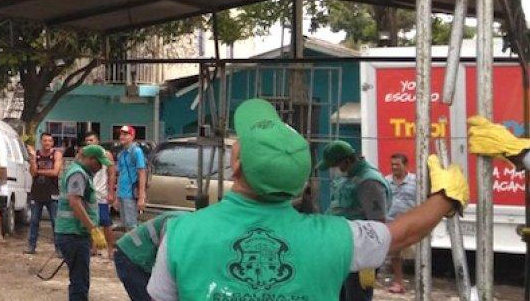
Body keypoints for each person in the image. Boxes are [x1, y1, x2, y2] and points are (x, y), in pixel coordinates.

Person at [146, 99, 469, 301]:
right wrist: (445, 197)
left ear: (237, 163)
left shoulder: (181, 233)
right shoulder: (337, 235)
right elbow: (403, 233)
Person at [320, 140, 390, 301]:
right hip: (343, 248)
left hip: (360, 252)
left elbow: (378, 221)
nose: (334, 171)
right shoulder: (350, 177)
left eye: (335, 166)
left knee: (356, 296)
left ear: (346, 161)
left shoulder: (369, 182)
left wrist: (368, 262)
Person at [54, 144, 111, 301]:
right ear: (90, 159)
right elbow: (75, 202)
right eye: (99, 163)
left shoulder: (82, 173)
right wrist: (93, 229)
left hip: (75, 234)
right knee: (80, 282)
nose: (100, 167)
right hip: (73, 235)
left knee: (79, 279)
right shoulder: (78, 174)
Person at [112, 211, 186, 301]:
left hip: (135, 257)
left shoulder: (185, 222)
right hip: (130, 258)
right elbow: (165, 259)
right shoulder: (178, 223)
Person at [383, 153, 416, 294]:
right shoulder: (386, 181)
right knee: (395, 255)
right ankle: (399, 282)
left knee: (417, 254)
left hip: (411, 223)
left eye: (397, 164)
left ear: (405, 165)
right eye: (392, 165)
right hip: (392, 223)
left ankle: (421, 281)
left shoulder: (415, 181)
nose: (394, 167)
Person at [25, 131, 62, 254]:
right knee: (34, 221)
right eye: (45, 140)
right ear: (41, 142)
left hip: (52, 192)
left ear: (53, 142)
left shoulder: (56, 155)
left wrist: (39, 171)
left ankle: (59, 249)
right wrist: (33, 159)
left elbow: (55, 172)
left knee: (56, 222)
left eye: (49, 141)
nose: (47, 143)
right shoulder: (35, 154)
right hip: (37, 192)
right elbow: (33, 172)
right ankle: (31, 246)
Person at [110, 125, 146, 230]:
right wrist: (117, 196)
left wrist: (141, 197)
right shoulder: (121, 154)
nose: (122, 137)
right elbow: (120, 174)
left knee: (132, 225)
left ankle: (135, 246)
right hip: (122, 193)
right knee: (125, 224)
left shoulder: (136, 152)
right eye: (121, 134)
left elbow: (141, 173)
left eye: (125, 134)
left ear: (132, 136)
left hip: (131, 194)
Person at [83, 132, 113, 256]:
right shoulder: (84, 156)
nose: (89, 143)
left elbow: (111, 173)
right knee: (91, 222)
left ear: (97, 141)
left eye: (91, 140)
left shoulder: (106, 155)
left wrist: (111, 191)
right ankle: (93, 248)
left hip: (101, 194)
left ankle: (110, 249)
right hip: (89, 194)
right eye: (87, 141)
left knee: (105, 222)